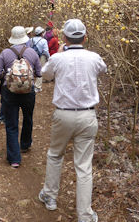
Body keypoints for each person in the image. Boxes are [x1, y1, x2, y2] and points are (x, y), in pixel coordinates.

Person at [38, 19, 107, 222]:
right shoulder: (94, 57)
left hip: (63, 115)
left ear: (65, 39)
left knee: (55, 155)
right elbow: (102, 69)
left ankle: (50, 197)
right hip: (87, 115)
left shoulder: (58, 58)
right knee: (84, 166)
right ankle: (85, 215)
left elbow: (45, 75)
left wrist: (60, 53)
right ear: (85, 38)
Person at [0, 26, 42, 168]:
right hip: (28, 92)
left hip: (10, 93)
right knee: (28, 118)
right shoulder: (32, 52)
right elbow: (39, 73)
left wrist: (8, 77)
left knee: (11, 124)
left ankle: (14, 158)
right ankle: (25, 145)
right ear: (25, 38)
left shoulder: (5, 53)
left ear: (12, 38)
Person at [27, 26, 50, 92]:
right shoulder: (44, 41)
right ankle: (37, 86)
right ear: (41, 33)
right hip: (41, 56)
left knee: (31, 70)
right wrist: (49, 57)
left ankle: (30, 84)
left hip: (32, 55)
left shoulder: (31, 40)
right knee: (40, 71)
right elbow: (45, 51)